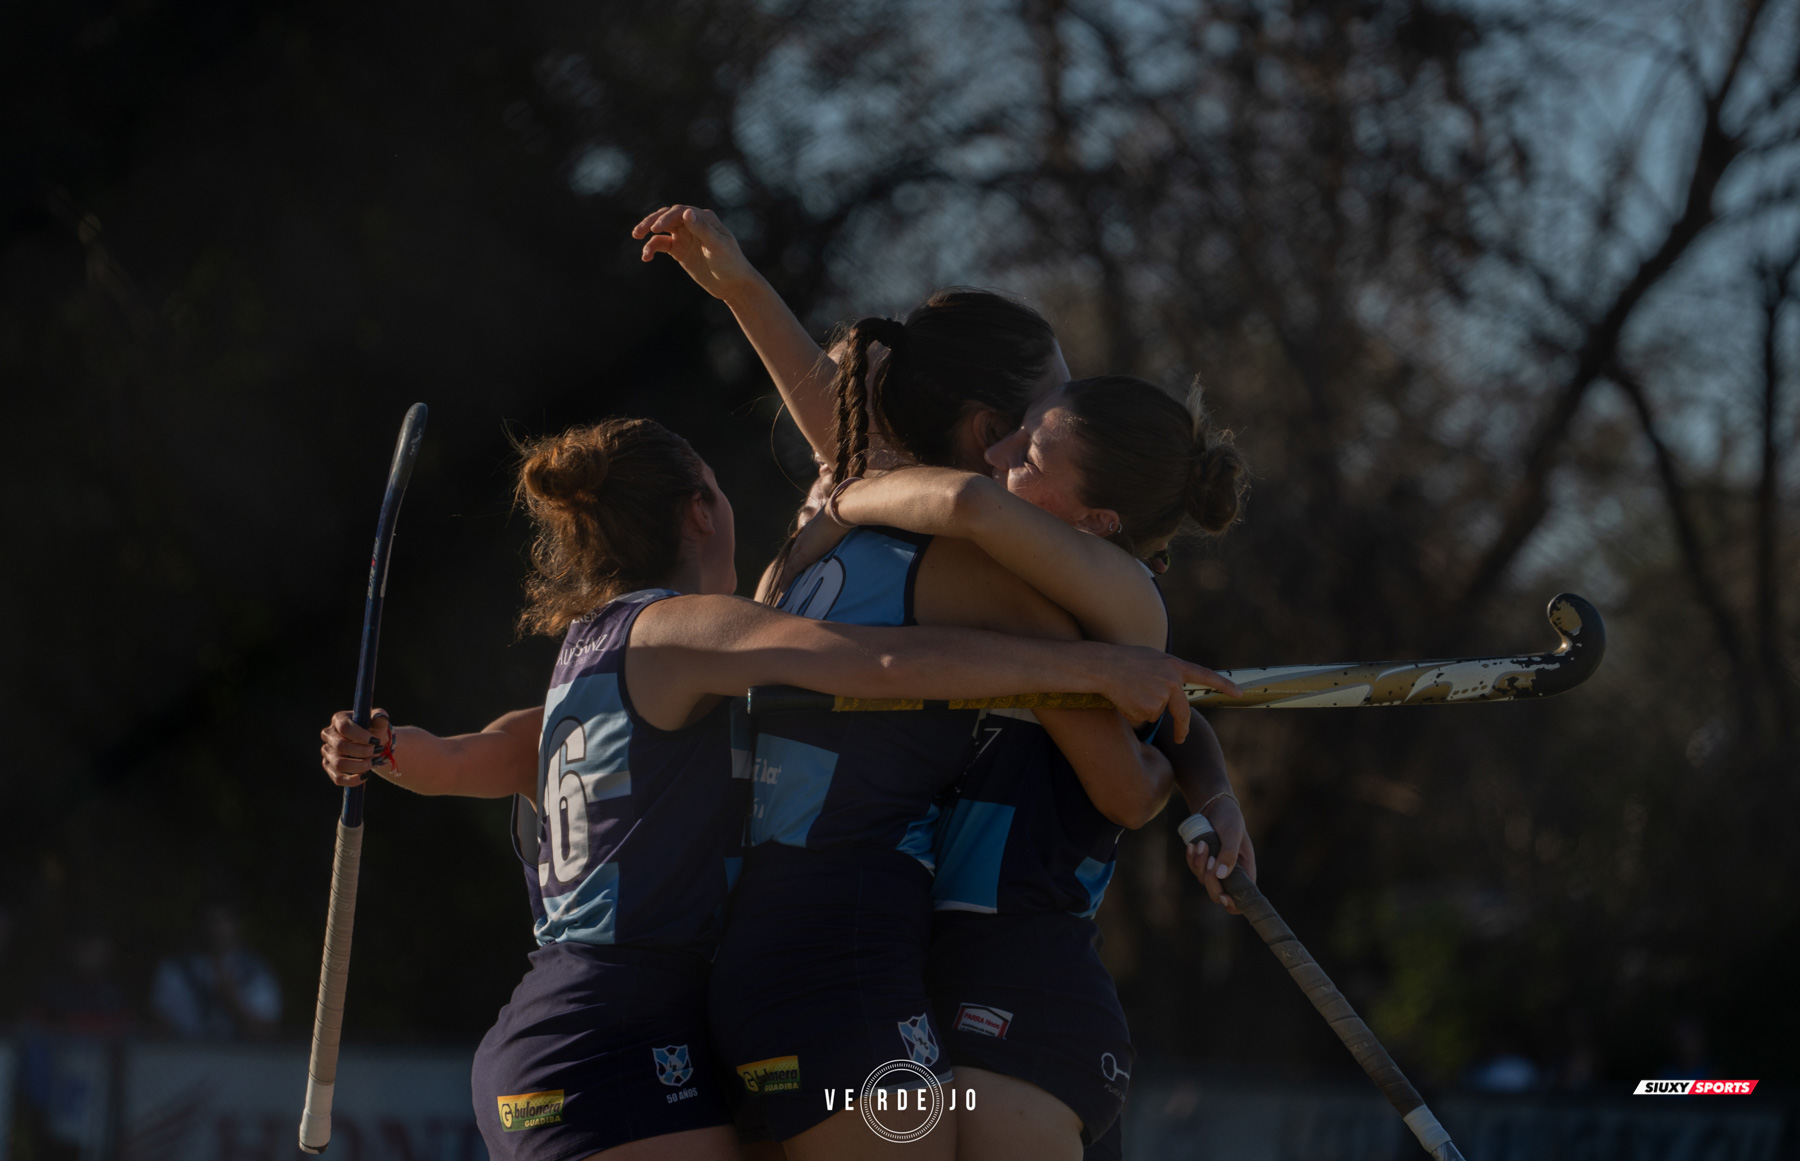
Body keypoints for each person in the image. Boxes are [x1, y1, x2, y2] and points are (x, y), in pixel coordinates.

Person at [319, 417, 1228, 1161]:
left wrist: (394, 753)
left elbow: (487, 752)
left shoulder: (583, 658)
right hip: (617, 1040)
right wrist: (1088, 667)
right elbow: (872, 658)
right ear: (703, 512)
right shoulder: (678, 632)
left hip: (572, 1035)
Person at [637, 206, 1254, 1160]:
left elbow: (874, 452)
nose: (1040, 425)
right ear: (987, 427)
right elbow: (1133, 783)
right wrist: (1152, 749)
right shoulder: (970, 570)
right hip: (885, 968)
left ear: (1094, 515)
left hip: (806, 964)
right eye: (1039, 408)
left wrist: (746, 292)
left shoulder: (855, 529)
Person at [151, 904, 281, 1040]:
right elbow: (159, 1026)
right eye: (210, 921)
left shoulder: (256, 972)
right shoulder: (174, 970)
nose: (215, 929)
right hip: (186, 1056)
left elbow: (267, 1031)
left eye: (222, 921)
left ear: (236, 925)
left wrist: (231, 1000)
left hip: (241, 1057)